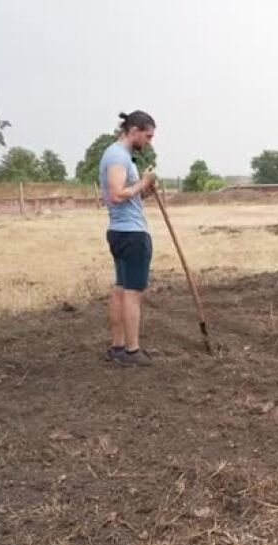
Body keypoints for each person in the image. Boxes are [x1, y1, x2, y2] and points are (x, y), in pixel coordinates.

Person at [100, 111, 157, 365]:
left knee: (121, 289)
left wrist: (146, 190)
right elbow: (116, 194)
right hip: (131, 234)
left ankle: (118, 347)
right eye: (148, 135)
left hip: (122, 230)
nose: (149, 141)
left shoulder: (123, 157)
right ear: (134, 131)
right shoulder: (117, 156)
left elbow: (130, 194)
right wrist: (142, 182)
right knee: (132, 292)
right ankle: (132, 351)